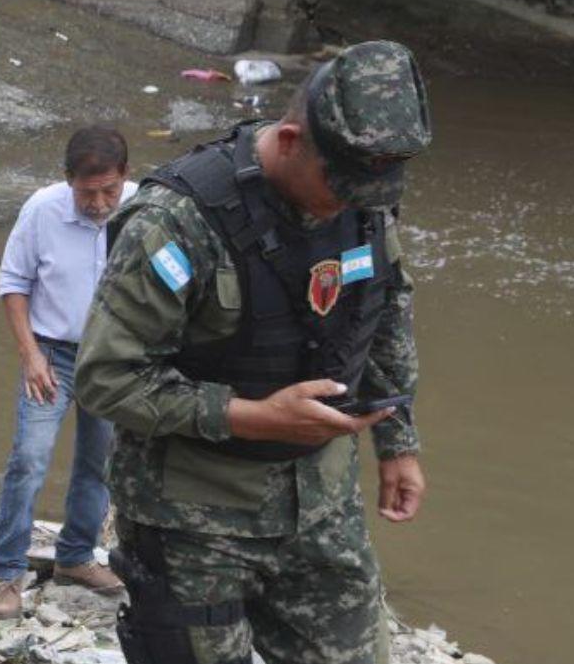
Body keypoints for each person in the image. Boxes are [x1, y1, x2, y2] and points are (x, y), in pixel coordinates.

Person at [75, 41, 432, 664]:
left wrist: (397, 441)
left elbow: (383, 310)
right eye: (340, 185)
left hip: (320, 502)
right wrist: (250, 414)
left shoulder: (364, 201)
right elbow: (106, 379)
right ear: (291, 140)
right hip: (191, 520)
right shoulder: (178, 222)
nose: (352, 203)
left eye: (367, 190)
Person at [0, 125, 139, 621]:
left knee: (101, 464)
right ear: (67, 180)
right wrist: (30, 355)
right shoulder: (41, 210)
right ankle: (6, 574)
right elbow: (13, 284)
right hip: (51, 353)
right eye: (87, 192)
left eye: (108, 191)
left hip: (113, 357)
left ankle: (75, 557)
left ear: (125, 178)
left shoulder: (142, 209)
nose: (98, 204)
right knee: (29, 458)